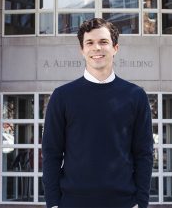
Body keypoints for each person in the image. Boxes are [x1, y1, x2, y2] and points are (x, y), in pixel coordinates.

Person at [42, 18, 153, 208]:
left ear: (115, 48)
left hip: (123, 203)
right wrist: (53, 203)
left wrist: (141, 202)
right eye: (90, 43)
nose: (97, 48)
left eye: (103, 42)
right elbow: (51, 153)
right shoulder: (62, 96)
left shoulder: (135, 95)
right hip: (72, 203)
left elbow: (144, 154)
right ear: (82, 50)